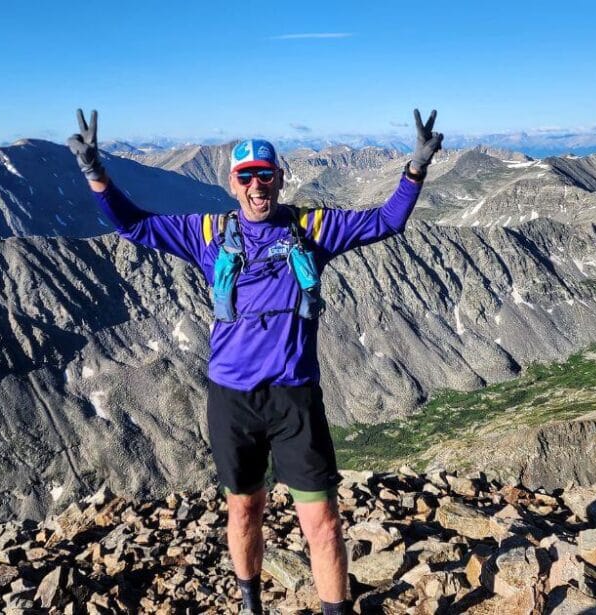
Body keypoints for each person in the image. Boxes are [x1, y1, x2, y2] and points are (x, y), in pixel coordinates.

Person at [68, 109, 442, 615]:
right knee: (243, 511)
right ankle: (250, 605)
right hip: (233, 401)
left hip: (295, 399)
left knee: (324, 523)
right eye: (246, 177)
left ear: (280, 178)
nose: (257, 186)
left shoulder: (312, 228)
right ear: (232, 183)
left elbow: (386, 221)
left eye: (265, 175)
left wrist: (415, 167)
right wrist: (96, 175)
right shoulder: (208, 233)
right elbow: (135, 225)